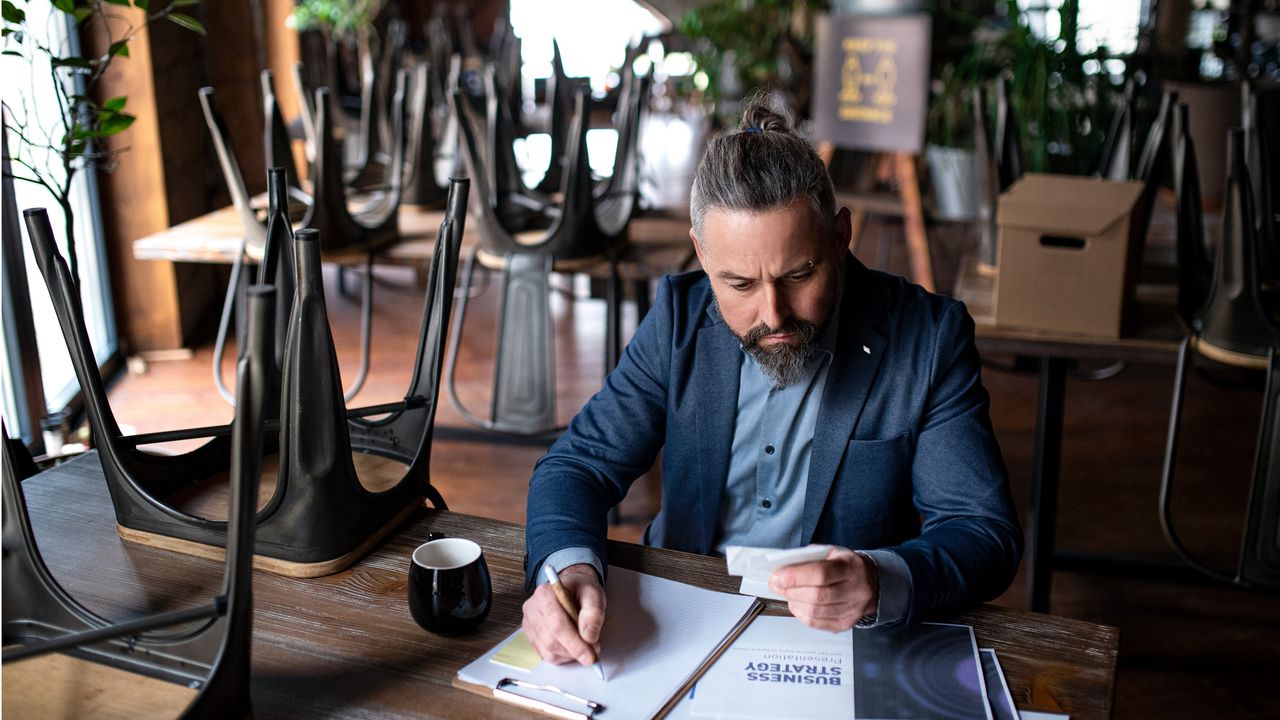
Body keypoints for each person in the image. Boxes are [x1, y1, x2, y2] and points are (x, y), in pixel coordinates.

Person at [520, 96, 1023, 669]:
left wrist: (879, 581)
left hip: (841, 641)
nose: (774, 314)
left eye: (799, 274)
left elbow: (982, 532)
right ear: (703, 256)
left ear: (840, 236)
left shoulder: (928, 339)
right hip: (677, 620)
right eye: (738, 284)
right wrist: (569, 570)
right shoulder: (680, 320)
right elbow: (579, 465)